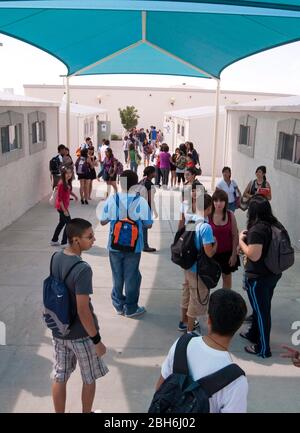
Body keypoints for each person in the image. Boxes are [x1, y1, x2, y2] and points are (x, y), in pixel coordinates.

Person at [156, 289, 248, 413]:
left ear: (208, 319)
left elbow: (160, 388)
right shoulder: (236, 380)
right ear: (238, 326)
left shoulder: (183, 344)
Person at [50, 218, 108, 413]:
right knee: (89, 377)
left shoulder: (56, 257)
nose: (93, 239)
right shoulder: (82, 269)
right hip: (81, 334)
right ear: (76, 240)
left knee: (60, 375)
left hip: (59, 330)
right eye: (89, 236)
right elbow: (83, 309)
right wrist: (97, 340)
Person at [100, 170, 153, 317]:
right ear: (136, 185)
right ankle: (131, 308)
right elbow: (148, 224)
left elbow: (103, 221)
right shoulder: (140, 201)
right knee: (132, 276)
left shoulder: (112, 199)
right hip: (134, 247)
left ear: (120, 182)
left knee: (117, 276)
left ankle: (118, 305)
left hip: (114, 245)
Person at [238, 195, 282, 358]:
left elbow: (253, 255)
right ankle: (253, 334)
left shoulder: (257, 229)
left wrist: (241, 242)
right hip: (272, 274)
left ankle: (263, 349)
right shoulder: (274, 224)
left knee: (262, 312)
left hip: (258, 278)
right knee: (260, 308)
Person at [179, 193, 217, 334]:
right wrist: (216, 245)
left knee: (187, 292)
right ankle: (190, 330)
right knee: (196, 299)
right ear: (209, 208)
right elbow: (209, 253)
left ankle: (183, 321)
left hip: (188, 265)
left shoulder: (192, 220)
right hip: (198, 269)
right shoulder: (206, 228)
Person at [208, 189, 240, 289]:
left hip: (227, 253)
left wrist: (234, 254)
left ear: (226, 202)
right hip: (211, 253)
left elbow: (235, 235)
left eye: (221, 201)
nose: (218, 203)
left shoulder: (230, 215)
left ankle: (225, 302)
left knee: (227, 279)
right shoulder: (207, 216)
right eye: (216, 200)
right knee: (208, 280)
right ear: (212, 202)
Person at [51, 167, 78, 247]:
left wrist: (74, 195)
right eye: (67, 173)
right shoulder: (61, 183)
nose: (69, 175)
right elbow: (59, 199)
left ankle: (54, 240)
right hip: (61, 207)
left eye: (70, 173)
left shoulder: (66, 182)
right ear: (63, 174)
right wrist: (64, 210)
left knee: (61, 223)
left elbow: (68, 191)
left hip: (64, 207)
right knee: (69, 224)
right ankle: (64, 242)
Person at [138, 166, 157, 253]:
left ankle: (141, 244)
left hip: (138, 206)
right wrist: (152, 211)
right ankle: (145, 246)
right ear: (151, 173)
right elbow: (150, 199)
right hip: (145, 208)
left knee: (140, 227)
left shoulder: (142, 181)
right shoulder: (149, 184)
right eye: (154, 172)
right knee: (145, 227)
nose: (155, 173)